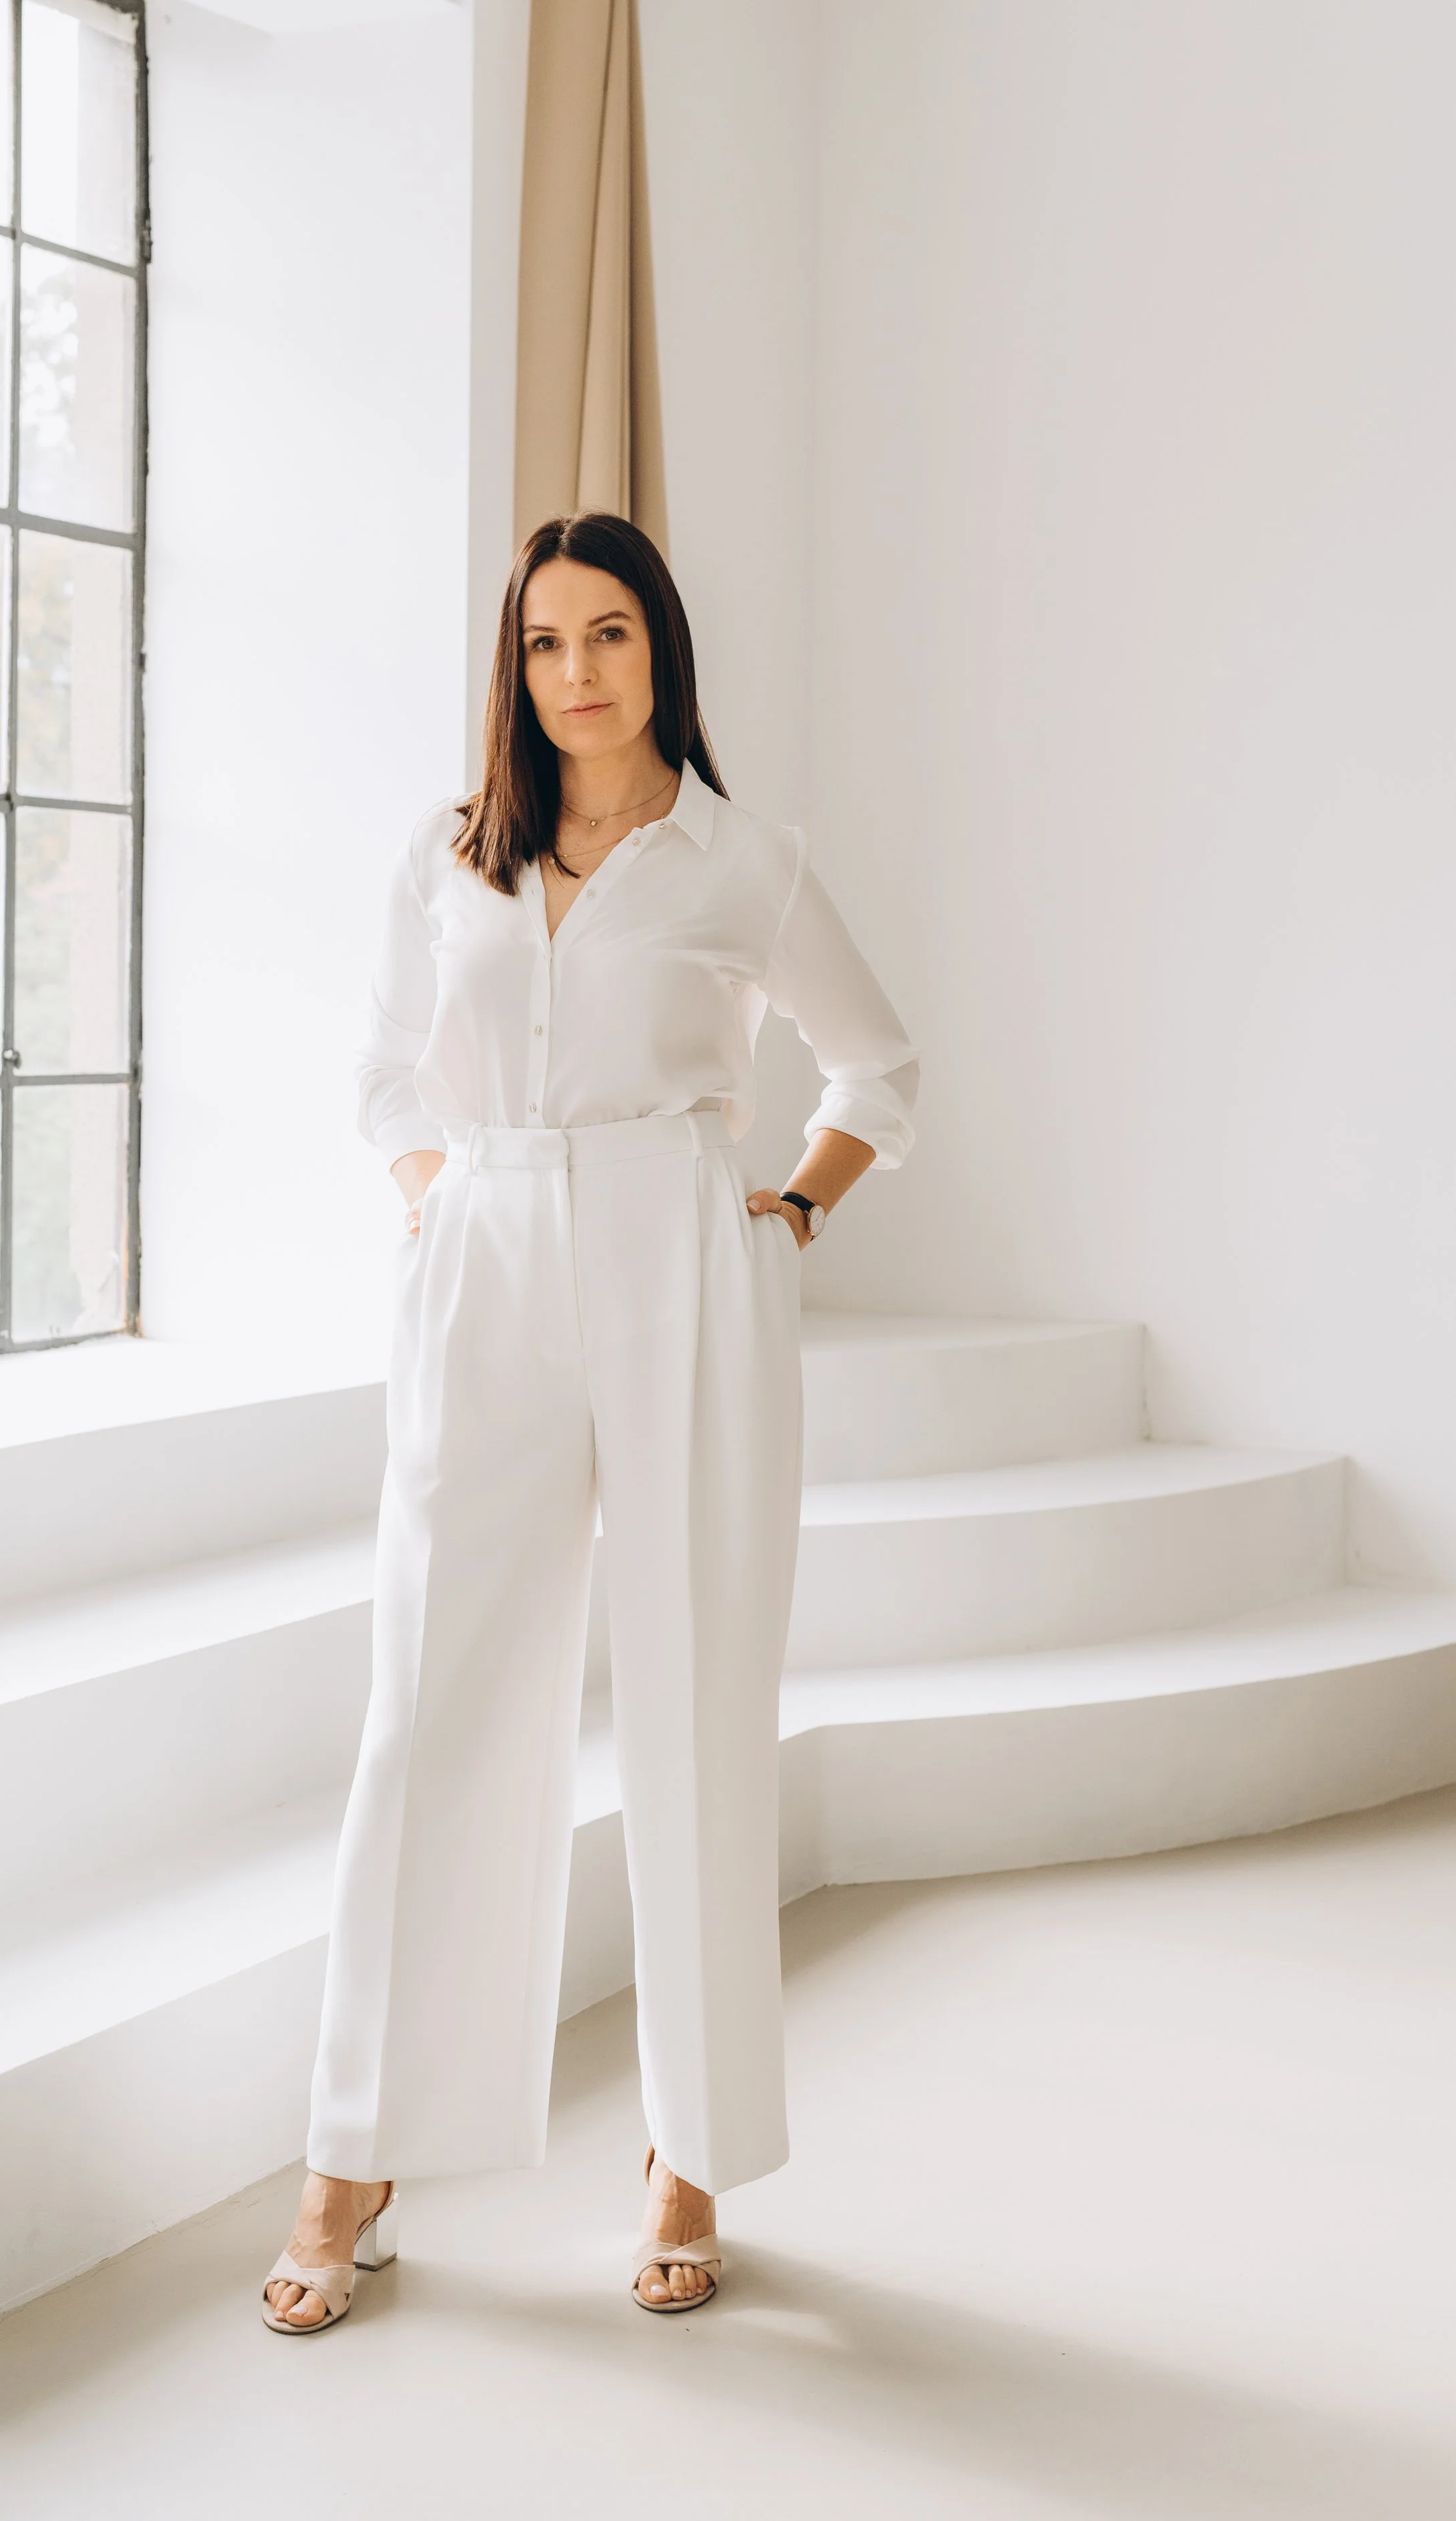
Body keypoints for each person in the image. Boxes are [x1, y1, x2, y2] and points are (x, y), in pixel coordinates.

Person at [262, 512, 917, 2332]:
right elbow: (387, 1068)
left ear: (661, 650)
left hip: (678, 1249)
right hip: (483, 1253)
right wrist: (438, 1197)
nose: (576, 672)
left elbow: (879, 1065)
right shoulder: (448, 852)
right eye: (545, 641)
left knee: (696, 1690)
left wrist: (792, 1211)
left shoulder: (742, 861)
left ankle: (687, 2149)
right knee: (431, 1699)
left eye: (609, 633)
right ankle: (354, 2152)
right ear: (514, 666)